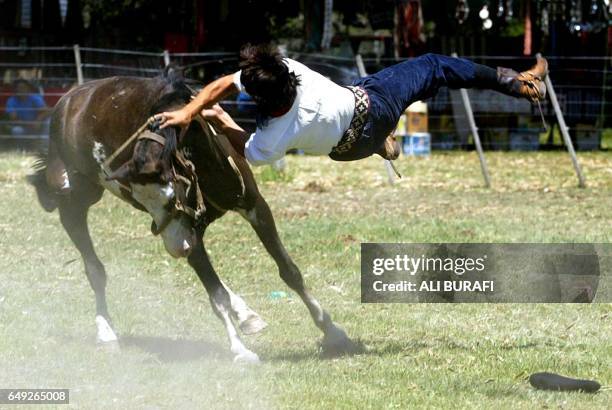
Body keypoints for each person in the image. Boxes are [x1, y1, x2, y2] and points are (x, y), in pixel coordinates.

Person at [155, 44, 548, 165]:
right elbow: (226, 83)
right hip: (371, 105)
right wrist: (194, 110)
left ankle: (382, 142)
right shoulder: (290, 69)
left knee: (358, 109)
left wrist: (217, 120)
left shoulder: (274, 134)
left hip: (349, 148)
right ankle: (520, 86)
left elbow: (247, 148)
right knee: (433, 66)